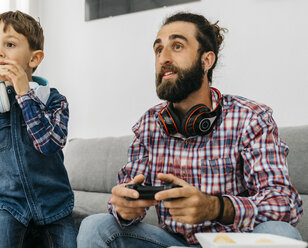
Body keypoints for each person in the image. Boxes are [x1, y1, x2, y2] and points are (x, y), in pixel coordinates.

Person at [77, 12, 303, 247]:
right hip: (172, 243)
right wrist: (124, 207)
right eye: (158, 49)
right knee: (95, 226)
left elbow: (284, 203)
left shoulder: (250, 118)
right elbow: (122, 201)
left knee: (281, 233)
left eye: (176, 46)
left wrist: (214, 207)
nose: (163, 58)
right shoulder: (149, 124)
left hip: (232, 242)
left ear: (206, 60)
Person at [0, 10, 77, 248]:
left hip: (55, 208)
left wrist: (24, 94)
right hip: (9, 208)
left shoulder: (55, 101)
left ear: (34, 59)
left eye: (9, 44)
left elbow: (48, 143)